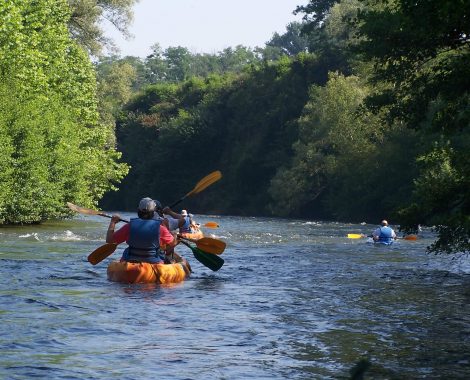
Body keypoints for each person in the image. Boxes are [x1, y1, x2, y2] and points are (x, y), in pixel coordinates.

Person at [106, 197, 189, 271]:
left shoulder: (129, 226)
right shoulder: (161, 229)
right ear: (153, 212)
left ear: (138, 211)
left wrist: (113, 222)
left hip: (130, 262)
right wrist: (176, 238)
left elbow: (109, 241)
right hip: (154, 264)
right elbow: (172, 244)